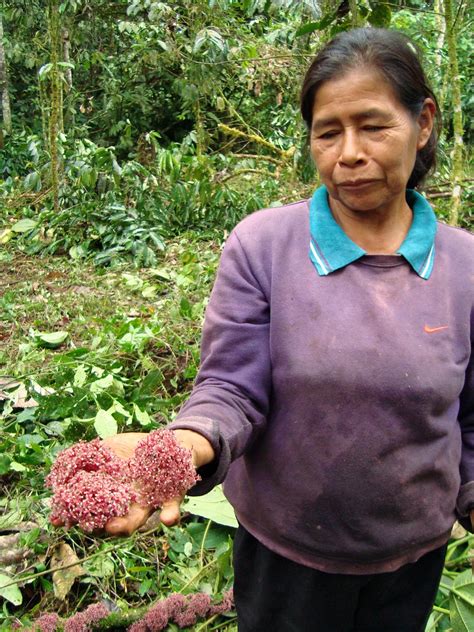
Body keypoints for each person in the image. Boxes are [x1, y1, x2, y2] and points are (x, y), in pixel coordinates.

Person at [100, 28, 473, 631]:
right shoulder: (264, 246)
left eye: (373, 126)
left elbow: (470, 420)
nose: (348, 153)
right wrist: (183, 447)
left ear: (423, 121)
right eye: (328, 132)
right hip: (286, 554)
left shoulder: (466, 267)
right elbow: (230, 388)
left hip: (411, 559)